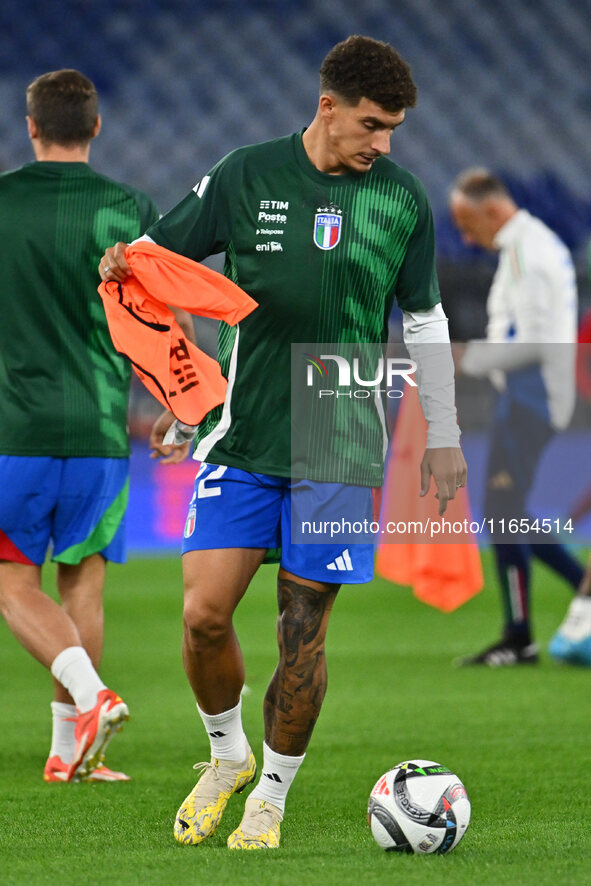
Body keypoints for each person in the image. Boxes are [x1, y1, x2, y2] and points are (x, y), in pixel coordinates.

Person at [100, 35, 466, 849]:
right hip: (244, 429)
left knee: (300, 628)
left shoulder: (401, 199)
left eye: (394, 129)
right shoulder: (245, 174)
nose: (384, 144)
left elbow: (426, 320)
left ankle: (269, 793)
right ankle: (226, 756)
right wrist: (182, 385)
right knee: (202, 615)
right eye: (371, 125)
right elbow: (156, 268)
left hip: (340, 428)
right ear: (326, 106)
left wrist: (442, 431)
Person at [0, 69, 180, 783]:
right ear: (96, 127)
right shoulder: (127, 205)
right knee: (84, 581)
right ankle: (69, 749)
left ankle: (90, 695)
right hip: (103, 431)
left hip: (16, 427)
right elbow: (168, 308)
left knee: (13, 580)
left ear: (31, 124)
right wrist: (176, 400)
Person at [449, 168, 584, 666]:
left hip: (534, 397)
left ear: (491, 210)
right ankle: (568, 600)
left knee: (503, 512)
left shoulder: (530, 253)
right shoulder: (526, 247)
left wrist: (469, 358)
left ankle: (520, 636)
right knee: (511, 512)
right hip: (529, 396)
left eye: (467, 222)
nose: (465, 236)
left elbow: (531, 342)